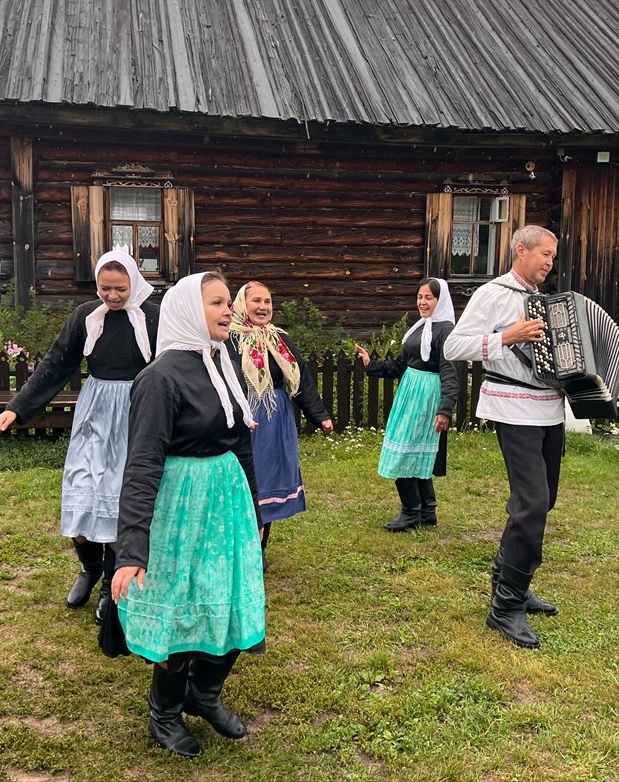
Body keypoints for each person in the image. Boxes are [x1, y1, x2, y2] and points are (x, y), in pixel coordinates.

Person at [444, 225, 619, 649]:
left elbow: (573, 358)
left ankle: (513, 579)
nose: (550, 262)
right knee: (531, 503)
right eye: (544, 254)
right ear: (521, 251)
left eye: (553, 256)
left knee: (542, 500)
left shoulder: (553, 303)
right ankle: (504, 608)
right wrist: (504, 337)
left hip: (549, 410)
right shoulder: (493, 294)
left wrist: (613, 370)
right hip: (511, 407)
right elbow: (453, 346)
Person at [112, 271, 265, 759]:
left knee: (234, 595)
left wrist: (254, 510)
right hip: (180, 505)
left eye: (228, 303)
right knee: (183, 611)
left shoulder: (225, 362)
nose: (228, 311)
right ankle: (165, 711)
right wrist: (132, 547)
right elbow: (141, 464)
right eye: (216, 303)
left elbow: (241, 441)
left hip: (227, 500)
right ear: (185, 309)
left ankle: (205, 693)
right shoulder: (158, 379)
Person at [0, 250, 159, 624]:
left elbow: (175, 365)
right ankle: (89, 568)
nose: (112, 297)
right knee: (81, 490)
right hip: (96, 410)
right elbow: (55, 364)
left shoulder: (153, 317)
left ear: (134, 282)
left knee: (119, 500)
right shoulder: (85, 316)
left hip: (136, 411)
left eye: (120, 288)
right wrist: (17, 407)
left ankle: (108, 593)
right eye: (105, 289)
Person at [225, 281, 333, 563]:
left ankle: (259, 550)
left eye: (267, 302)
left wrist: (319, 415)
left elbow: (301, 380)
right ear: (241, 304)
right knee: (242, 481)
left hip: (274, 419)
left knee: (266, 481)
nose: (263, 307)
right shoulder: (229, 339)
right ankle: (239, 548)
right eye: (256, 301)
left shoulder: (279, 338)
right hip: (241, 418)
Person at [354, 278, 460, 532]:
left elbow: (450, 371)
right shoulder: (419, 328)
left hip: (427, 397)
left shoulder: (445, 330)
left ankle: (411, 511)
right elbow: (403, 365)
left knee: (406, 452)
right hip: (410, 394)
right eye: (420, 297)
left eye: (429, 298)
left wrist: (445, 408)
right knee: (412, 451)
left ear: (440, 300)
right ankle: (427, 510)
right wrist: (372, 364)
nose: (422, 302)